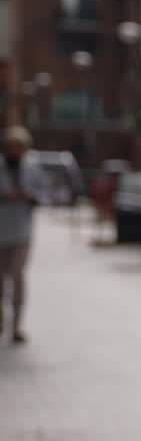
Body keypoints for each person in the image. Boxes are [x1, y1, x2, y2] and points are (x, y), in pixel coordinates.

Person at [0, 126, 45, 344]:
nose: (15, 151)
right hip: (1, 230)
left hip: (22, 232)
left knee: (17, 276)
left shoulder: (33, 168)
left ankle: (16, 325)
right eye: (12, 147)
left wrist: (30, 196)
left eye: (19, 147)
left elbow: (45, 192)